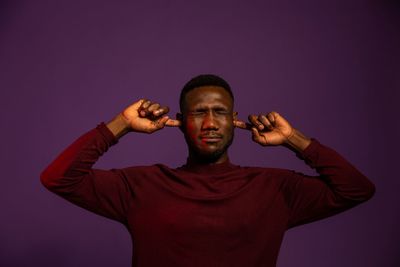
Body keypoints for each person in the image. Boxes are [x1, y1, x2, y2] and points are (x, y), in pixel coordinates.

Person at [41, 74, 375, 267]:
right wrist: (121, 124)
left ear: (234, 120)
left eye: (220, 112)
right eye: (199, 113)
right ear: (181, 123)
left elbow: (356, 188)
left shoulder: (274, 188)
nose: (211, 123)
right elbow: (58, 178)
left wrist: (292, 139)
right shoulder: (141, 186)